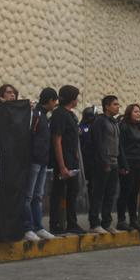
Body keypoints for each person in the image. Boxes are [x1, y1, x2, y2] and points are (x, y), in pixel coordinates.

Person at [23, 88, 58, 242]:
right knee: (28, 195)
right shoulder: (35, 115)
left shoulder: (44, 116)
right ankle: (27, 227)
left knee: (38, 196)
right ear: (50, 100)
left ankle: (38, 226)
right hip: (34, 161)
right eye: (54, 101)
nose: (55, 104)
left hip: (43, 161)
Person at [48, 85, 84, 235]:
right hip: (63, 161)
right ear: (71, 98)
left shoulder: (70, 115)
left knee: (72, 192)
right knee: (58, 193)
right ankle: (55, 224)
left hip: (72, 160)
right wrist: (62, 166)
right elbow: (57, 140)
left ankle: (71, 223)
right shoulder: (60, 115)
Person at [88, 96, 124, 234]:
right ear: (107, 106)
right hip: (102, 163)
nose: (117, 106)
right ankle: (94, 223)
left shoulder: (114, 122)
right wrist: (104, 162)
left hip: (114, 162)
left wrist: (122, 163)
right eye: (115, 104)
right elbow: (97, 143)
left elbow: (118, 144)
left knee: (110, 194)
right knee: (98, 193)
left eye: (118, 104)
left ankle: (106, 222)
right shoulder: (100, 121)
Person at [117, 103, 140, 231]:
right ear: (129, 113)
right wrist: (123, 164)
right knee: (125, 191)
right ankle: (121, 219)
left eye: (139, 111)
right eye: (135, 111)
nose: (138, 114)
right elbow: (120, 147)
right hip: (128, 162)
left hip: (138, 162)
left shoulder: (139, 127)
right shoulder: (123, 126)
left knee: (135, 192)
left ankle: (133, 219)